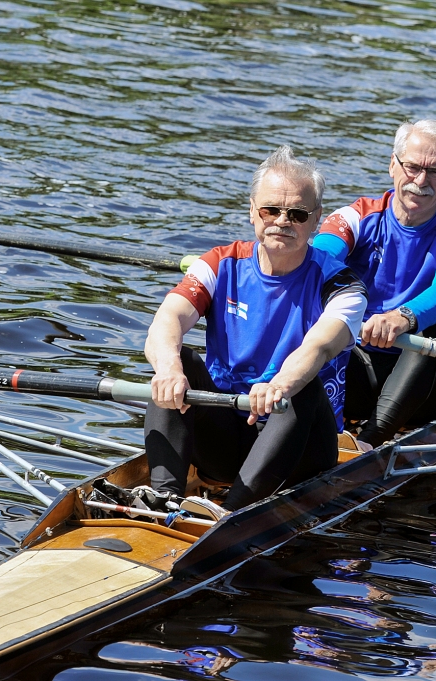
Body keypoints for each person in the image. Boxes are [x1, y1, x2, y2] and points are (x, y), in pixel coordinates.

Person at [143, 146, 367, 512]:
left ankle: (233, 512)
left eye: (297, 213)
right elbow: (167, 320)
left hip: (300, 447)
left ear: (316, 220)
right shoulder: (218, 263)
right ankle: (162, 498)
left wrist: (279, 385)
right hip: (228, 434)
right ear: (252, 212)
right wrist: (169, 371)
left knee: (301, 385)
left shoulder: (341, 284)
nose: (282, 221)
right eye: (270, 210)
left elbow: (318, 348)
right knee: (178, 358)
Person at [314, 120, 436, 449]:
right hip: (361, 364)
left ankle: (367, 443)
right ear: (393, 164)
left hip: (430, 381)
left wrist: (402, 317)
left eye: (435, 171)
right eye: (413, 167)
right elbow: (316, 264)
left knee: (434, 328)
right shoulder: (354, 217)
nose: (421, 181)